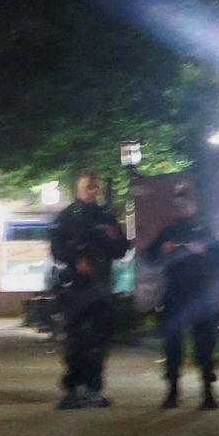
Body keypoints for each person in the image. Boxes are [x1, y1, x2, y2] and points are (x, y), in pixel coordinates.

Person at [49, 174, 130, 408]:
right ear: (78, 190)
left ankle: (93, 389)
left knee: (99, 341)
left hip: (101, 285)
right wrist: (77, 260)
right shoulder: (66, 217)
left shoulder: (106, 217)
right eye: (87, 187)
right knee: (75, 341)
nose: (92, 191)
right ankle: (73, 389)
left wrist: (106, 246)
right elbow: (57, 249)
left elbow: (121, 248)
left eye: (95, 187)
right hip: (75, 287)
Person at [146, 205, 219, 409]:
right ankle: (173, 390)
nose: (181, 206)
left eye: (184, 201)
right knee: (172, 344)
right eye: (177, 201)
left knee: (205, 344)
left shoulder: (203, 229)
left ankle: (208, 391)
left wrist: (204, 252)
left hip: (200, 293)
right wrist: (162, 250)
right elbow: (150, 256)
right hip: (175, 293)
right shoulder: (169, 231)